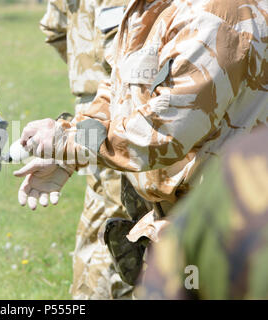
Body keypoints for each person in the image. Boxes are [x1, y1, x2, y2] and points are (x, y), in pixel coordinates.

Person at [14, 0, 267, 285]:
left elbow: (162, 133)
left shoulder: (217, 13)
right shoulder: (148, 8)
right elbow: (118, 94)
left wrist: (68, 142)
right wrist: (68, 152)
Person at [39, 0, 135, 299]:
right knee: (121, 225)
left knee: (99, 221)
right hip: (119, 107)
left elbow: (53, 29)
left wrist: (84, 70)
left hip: (97, 104)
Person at [136, 127, 268, 299]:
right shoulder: (246, 159)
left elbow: (164, 136)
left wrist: (99, 141)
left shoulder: (246, 160)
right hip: (164, 213)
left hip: (183, 210)